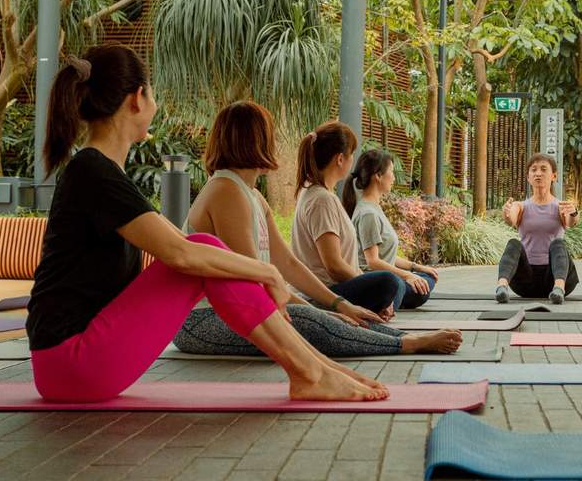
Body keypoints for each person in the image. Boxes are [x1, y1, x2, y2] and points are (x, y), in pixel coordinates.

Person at [25, 46, 387, 403]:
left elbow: (178, 252)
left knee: (204, 250)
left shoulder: (100, 171)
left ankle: (316, 369)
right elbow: (182, 253)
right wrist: (267, 273)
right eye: (152, 93)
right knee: (203, 249)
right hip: (72, 362)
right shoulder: (93, 171)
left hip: (73, 363)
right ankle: (311, 373)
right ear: (138, 98)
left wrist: (273, 276)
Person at [175, 102, 460, 357]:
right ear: (254, 140)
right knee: (314, 324)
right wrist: (317, 311)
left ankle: (405, 338)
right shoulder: (226, 191)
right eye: (269, 134)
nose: (274, 142)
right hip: (204, 320)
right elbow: (254, 284)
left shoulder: (251, 195)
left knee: (346, 317)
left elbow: (286, 262)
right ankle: (406, 345)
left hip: (239, 312)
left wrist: (339, 304)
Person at [290, 123, 403, 316]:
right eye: (351, 154)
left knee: (395, 286)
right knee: (391, 283)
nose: (353, 161)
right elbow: (333, 265)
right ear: (340, 159)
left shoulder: (316, 193)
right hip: (324, 295)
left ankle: (381, 305)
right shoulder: (321, 200)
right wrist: (364, 281)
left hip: (333, 289)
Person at [342, 149, 439, 310]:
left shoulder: (374, 208)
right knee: (417, 286)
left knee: (426, 277)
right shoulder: (368, 213)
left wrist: (416, 268)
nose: (393, 178)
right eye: (391, 172)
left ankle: (393, 297)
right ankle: (388, 301)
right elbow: (372, 262)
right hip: (376, 281)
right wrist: (408, 276)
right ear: (378, 176)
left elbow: (386, 257)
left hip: (387, 277)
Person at [496, 154, 580, 304]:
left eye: (543, 169)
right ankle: (501, 288)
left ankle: (559, 290)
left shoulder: (560, 206)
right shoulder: (521, 206)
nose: (538, 173)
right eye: (533, 170)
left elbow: (571, 222)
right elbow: (511, 219)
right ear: (528, 177)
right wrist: (507, 212)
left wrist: (573, 212)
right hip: (526, 281)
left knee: (558, 243)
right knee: (513, 243)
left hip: (554, 277)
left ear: (553, 176)